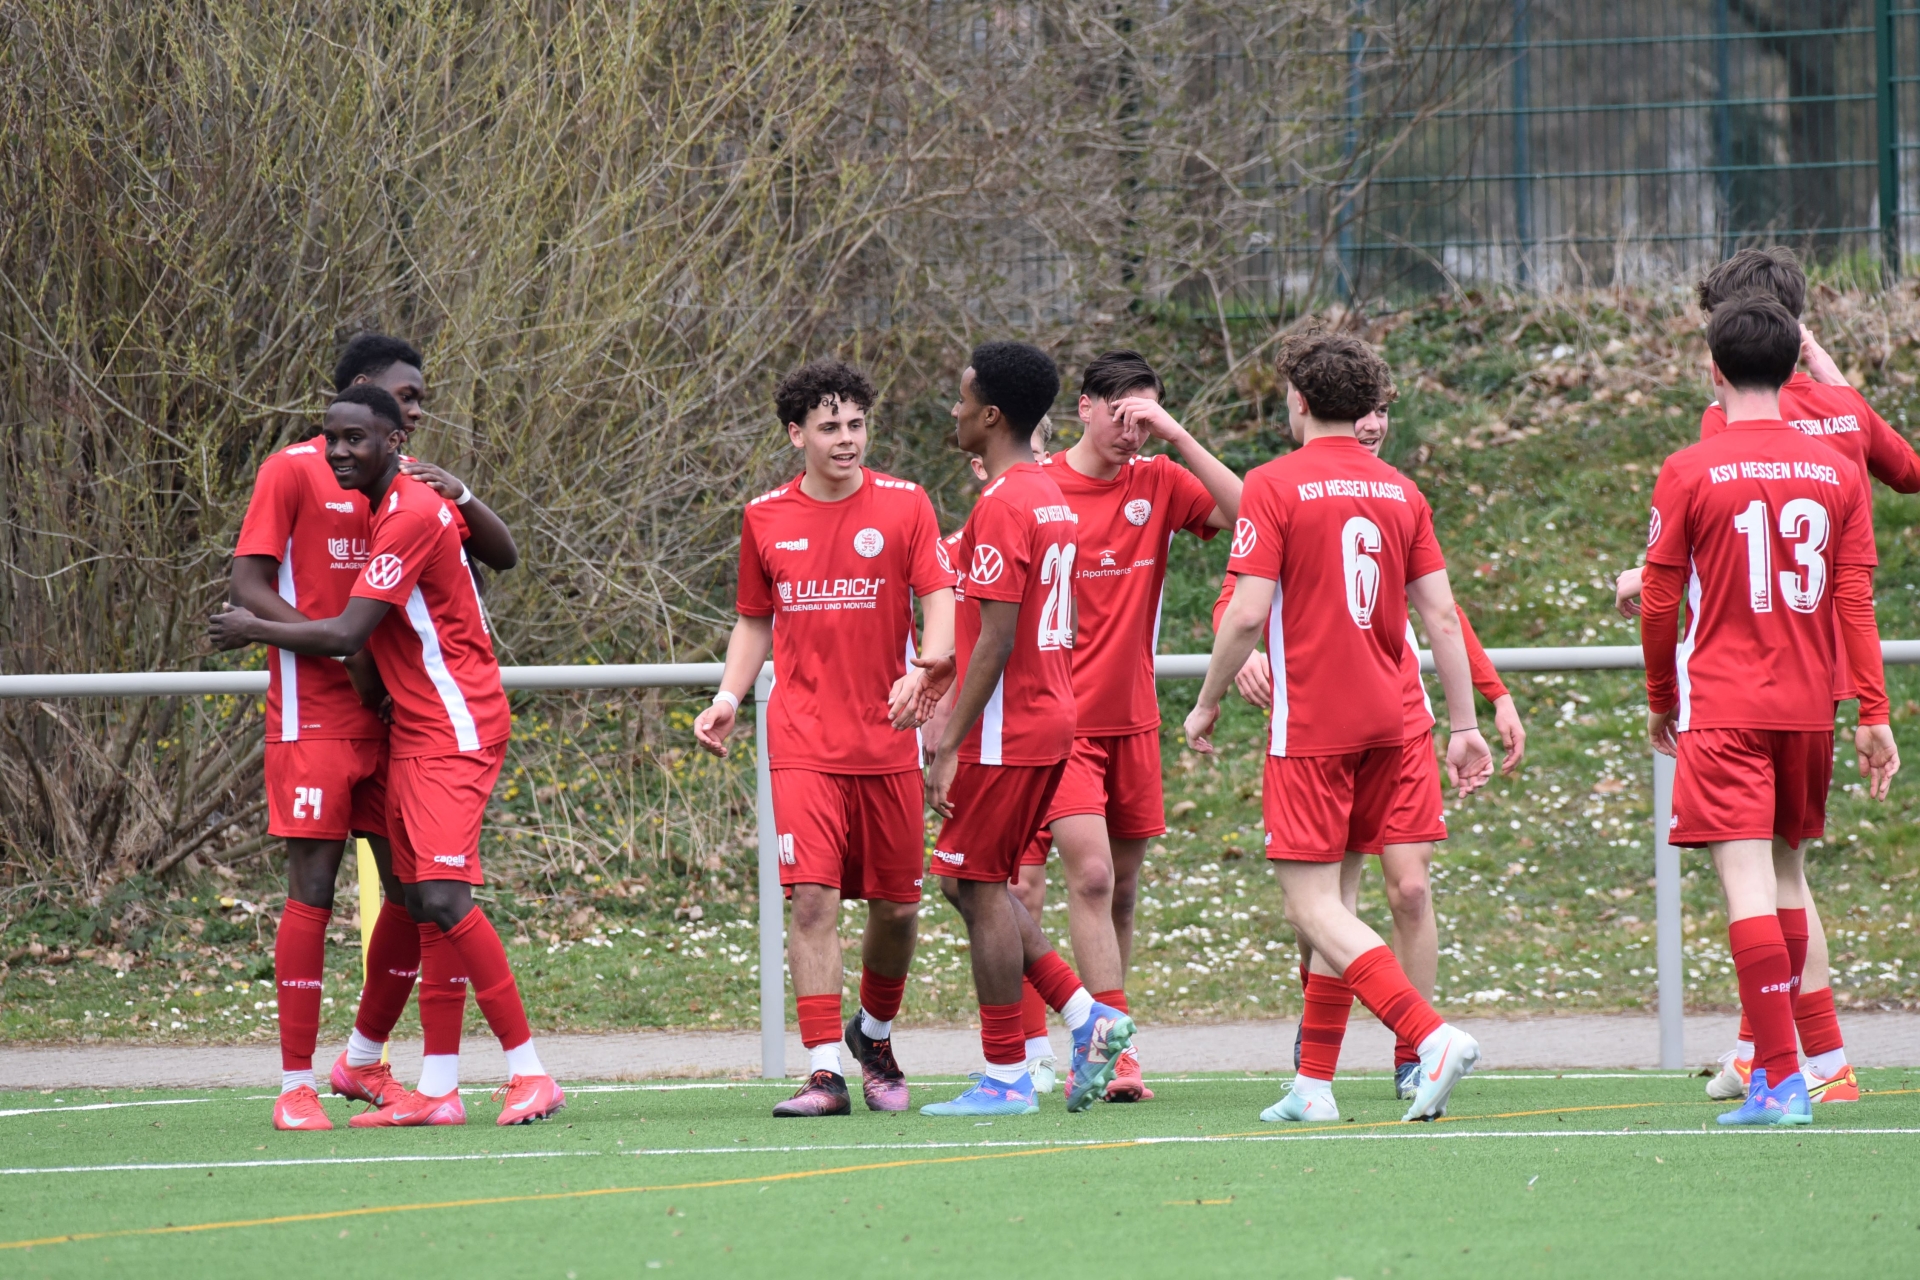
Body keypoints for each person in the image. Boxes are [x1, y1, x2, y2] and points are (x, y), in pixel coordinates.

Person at [1614, 248, 1920, 1104]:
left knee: (1748, 881)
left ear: (1715, 361)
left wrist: (1660, 695)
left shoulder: (1700, 453)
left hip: (1726, 693)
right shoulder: (1840, 443)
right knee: (1788, 874)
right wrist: (1872, 709)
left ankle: (1780, 1073)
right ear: (1797, 351)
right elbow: (1858, 584)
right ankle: (1810, 1061)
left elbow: (1674, 585)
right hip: (1812, 692)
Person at [211, 385, 563, 1128]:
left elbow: (349, 633)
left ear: (394, 439)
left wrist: (253, 627)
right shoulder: (352, 491)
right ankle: (431, 1087)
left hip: (450, 723)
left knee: (440, 897)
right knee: (417, 899)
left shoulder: (405, 510)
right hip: (403, 724)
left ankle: (529, 1072)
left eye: (357, 438)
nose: (339, 451)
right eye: (332, 437)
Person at [1185, 330, 1493, 1124]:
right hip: (1394, 724)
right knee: (1343, 899)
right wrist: (1464, 723)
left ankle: (1428, 1036)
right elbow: (1442, 619)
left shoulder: (1273, 484)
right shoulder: (1400, 490)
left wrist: (1207, 700)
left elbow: (1245, 614)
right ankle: (1313, 1084)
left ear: (1298, 401)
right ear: (1364, 408)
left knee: (1310, 907)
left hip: (1315, 727)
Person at [692, 359, 954, 1117]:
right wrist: (728, 697)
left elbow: (938, 596)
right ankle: (823, 1071)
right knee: (812, 901)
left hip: (888, 738)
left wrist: (929, 668)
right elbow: (754, 620)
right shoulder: (764, 516)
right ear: (795, 434)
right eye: (830, 426)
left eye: (856, 424)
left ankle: (873, 1034)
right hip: (803, 741)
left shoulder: (905, 503)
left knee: (898, 909)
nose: (846, 439)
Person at [1013, 351, 1243, 1104]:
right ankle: (1110, 1049)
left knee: (1123, 892)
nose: (1130, 433)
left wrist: (1177, 436)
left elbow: (1255, 517)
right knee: (1089, 875)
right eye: (1120, 416)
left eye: (1144, 419)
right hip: (1060, 724)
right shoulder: (1040, 486)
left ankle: (1097, 1033)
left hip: (1134, 723)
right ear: (1084, 408)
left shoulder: (1159, 480)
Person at [919, 341, 1133, 1116]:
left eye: (962, 398)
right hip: (1049, 716)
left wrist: (948, 741)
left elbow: (998, 638)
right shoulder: (1048, 494)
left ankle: (1006, 1074)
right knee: (971, 882)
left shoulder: (1005, 503)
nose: (954, 410)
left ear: (991, 415)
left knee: (975, 887)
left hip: (1007, 729)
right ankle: (1085, 1016)